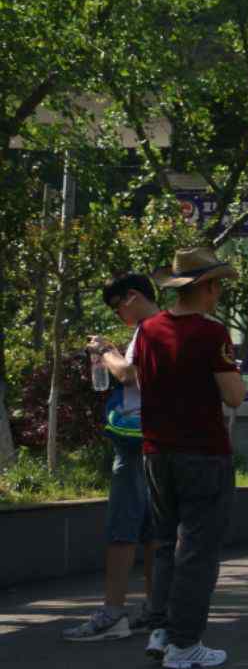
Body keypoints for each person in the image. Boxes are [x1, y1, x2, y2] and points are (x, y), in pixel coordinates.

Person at [134, 246, 247, 669]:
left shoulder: (148, 330)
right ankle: (185, 644)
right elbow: (233, 395)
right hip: (203, 452)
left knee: (165, 544)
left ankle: (161, 629)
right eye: (217, 286)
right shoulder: (211, 334)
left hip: (156, 451)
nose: (218, 295)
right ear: (207, 287)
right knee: (199, 550)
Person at [62, 274, 159, 642]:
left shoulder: (149, 328)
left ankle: (113, 611)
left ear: (132, 296)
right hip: (154, 437)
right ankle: (153, 606)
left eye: (117, 305)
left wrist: (105, 351)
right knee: (151, 529)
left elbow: (129, 375)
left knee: (122, 527)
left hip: (134, 441)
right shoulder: (157, 329)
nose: (117, 313)